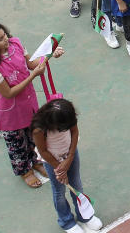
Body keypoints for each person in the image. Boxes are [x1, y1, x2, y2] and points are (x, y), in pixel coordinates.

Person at [0, 21, 63, 187]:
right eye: (0, 39)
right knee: (17, 144)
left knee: (33, 136)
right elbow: (8, 93)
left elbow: (31, 64)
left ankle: (36, 162)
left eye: (4, 35)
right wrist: (33, 76)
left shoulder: (16, 43)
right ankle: (25, 171)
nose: (6, 40)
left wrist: (50, 54)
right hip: (11, 112)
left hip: (29, 102)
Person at [32, 99, 103, 233]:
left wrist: (69, 158)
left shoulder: (67, 115)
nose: (67, 129)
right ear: (54, 124)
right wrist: (59, 168)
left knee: (77, 186)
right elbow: (43, 151)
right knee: (59, 192)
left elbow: (75, 133)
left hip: (71, 154)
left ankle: (84, 216)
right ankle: (66, 222)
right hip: (52, 161)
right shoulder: (39, 129)